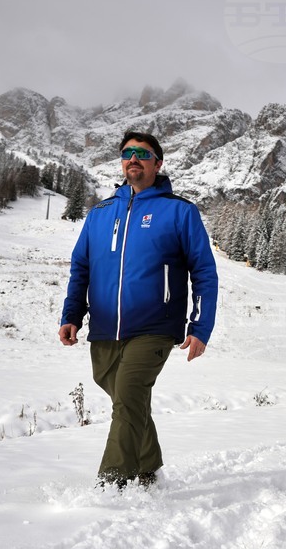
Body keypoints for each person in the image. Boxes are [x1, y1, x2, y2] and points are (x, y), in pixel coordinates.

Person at [58, 131, 218, 490]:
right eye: (127, 152)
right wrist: (72, 316)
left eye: (143, 153)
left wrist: (201, 326)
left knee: (129, 394)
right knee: (126, 399)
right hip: (104, 328)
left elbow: (204, 272)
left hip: (155, 325)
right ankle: (149, 468)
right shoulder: (100, 213)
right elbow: (81, 267)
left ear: (157, 163)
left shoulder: (179, 211)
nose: (133, 158)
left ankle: (113, 484)